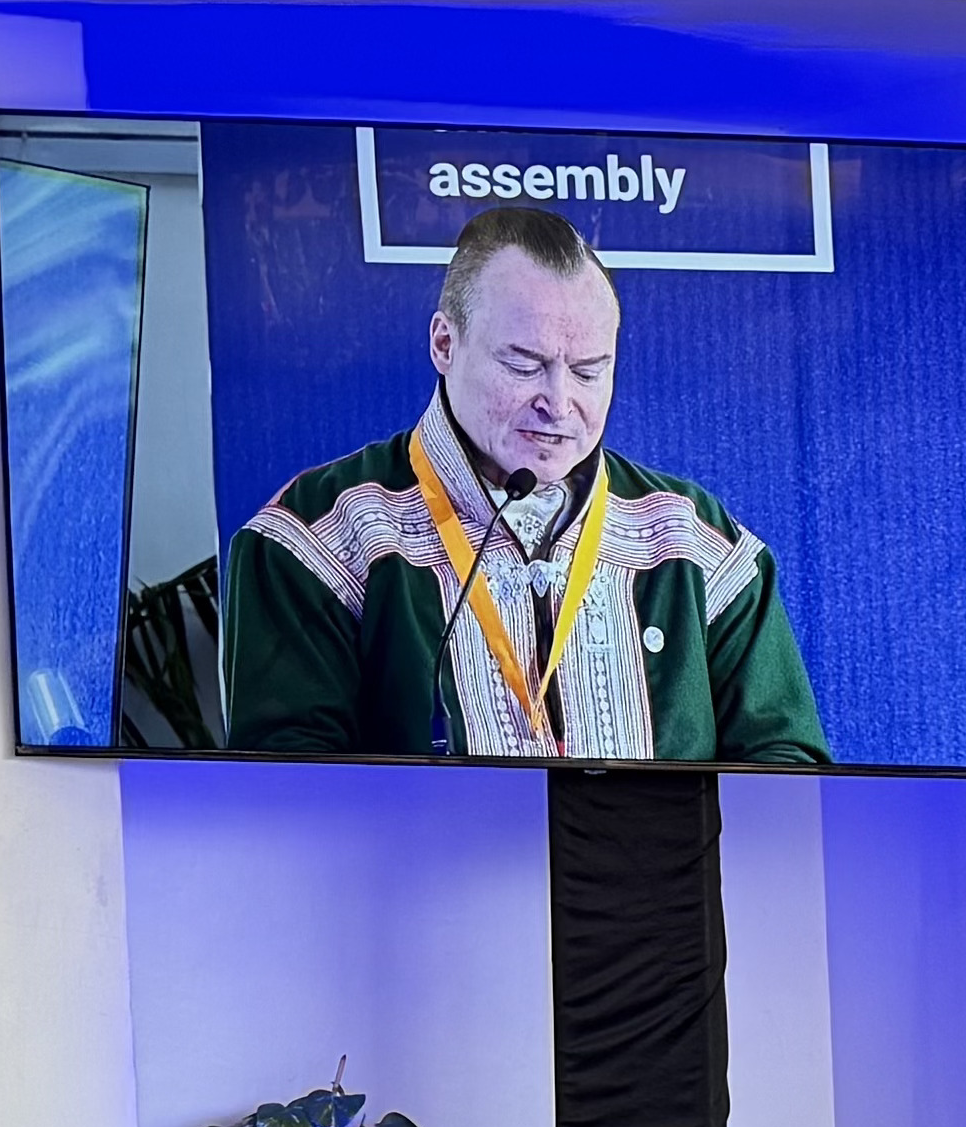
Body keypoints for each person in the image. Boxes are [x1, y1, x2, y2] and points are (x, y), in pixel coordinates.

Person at [222, 202, 829, 764]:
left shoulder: (696, 542)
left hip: (658, 883)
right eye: (523, 365)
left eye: (589, 371)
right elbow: (290, 809)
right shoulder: (318, 541)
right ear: (444, 344)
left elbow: (789, 784)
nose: (560, 404)